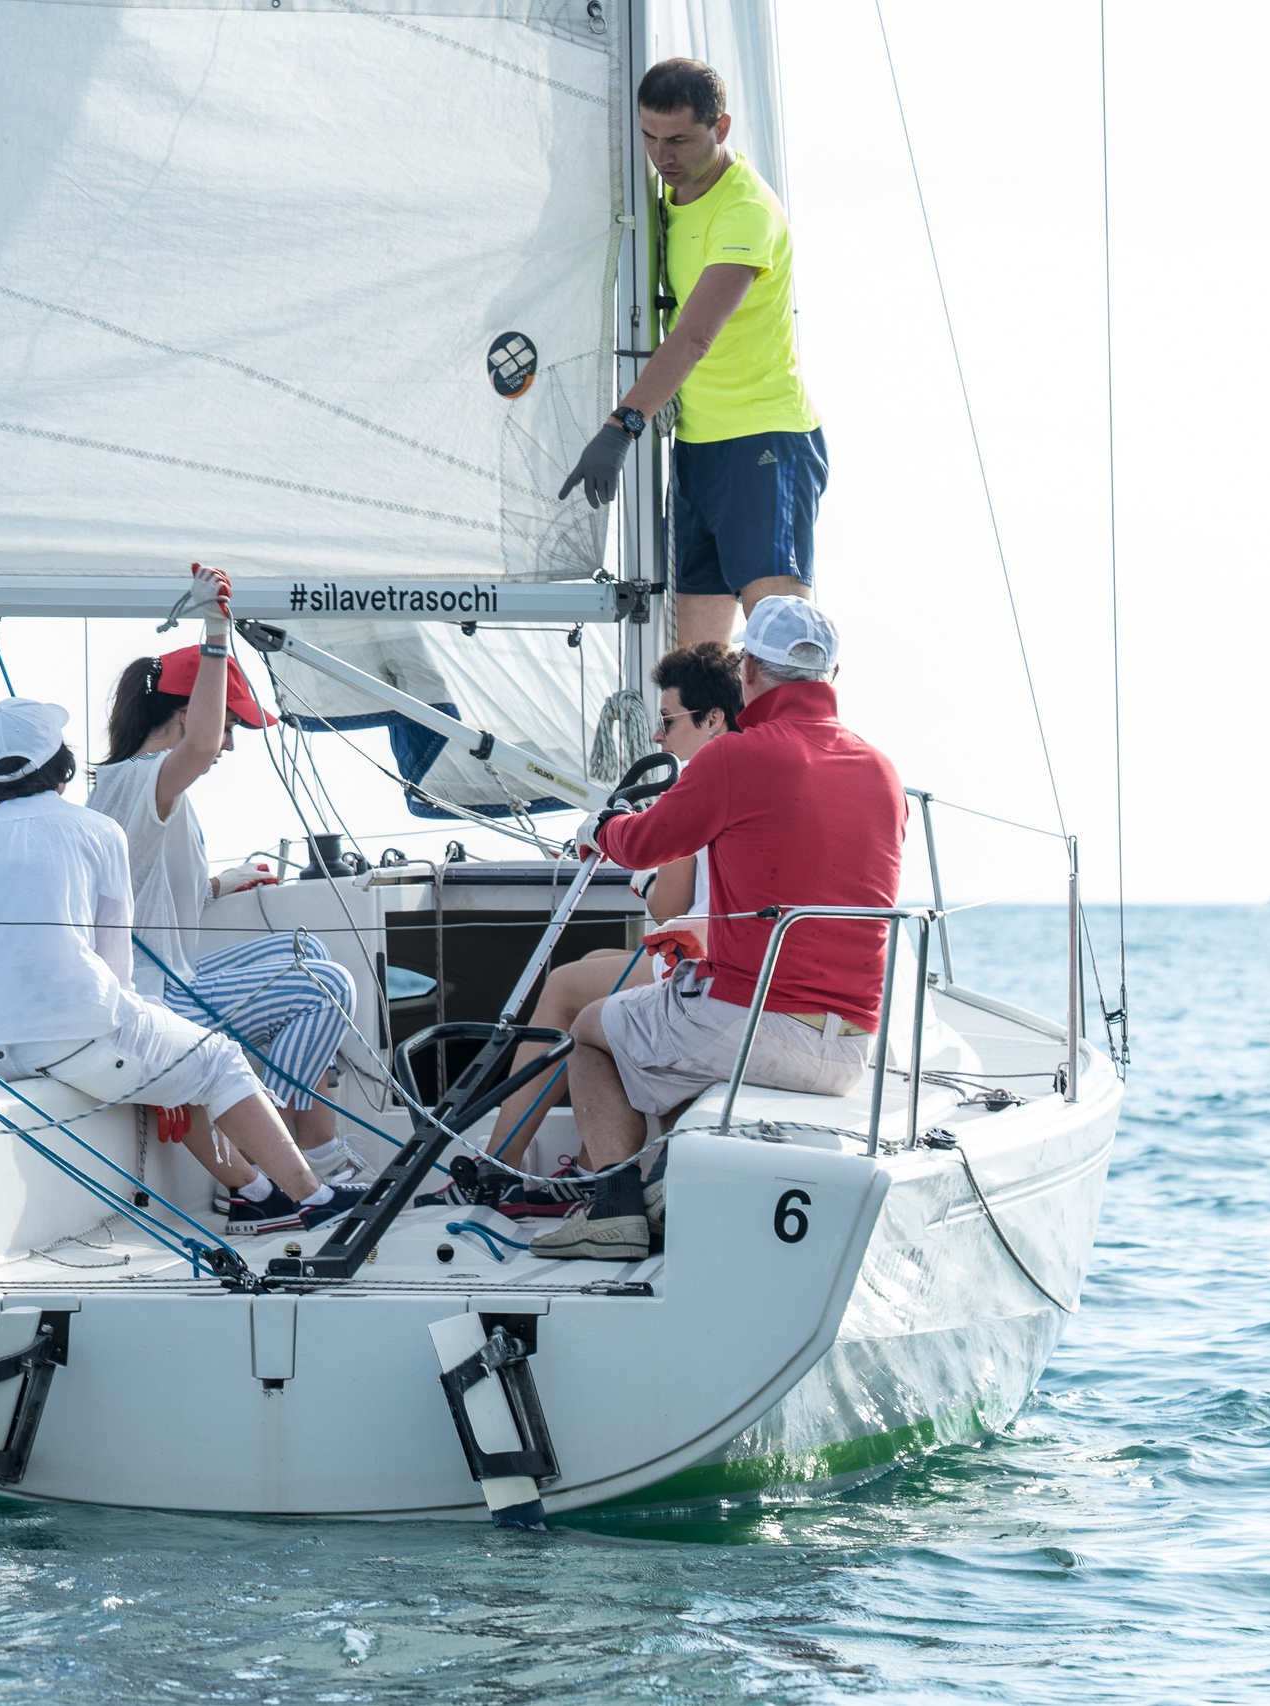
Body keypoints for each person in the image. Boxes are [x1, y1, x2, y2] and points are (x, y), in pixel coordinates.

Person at [538, 597, 902, 1261]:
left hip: (758, 1025)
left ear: (750, 672)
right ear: (833, 674)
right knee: (680, 1026)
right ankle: (668, 1186)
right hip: (852, 1049)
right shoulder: (882, 771)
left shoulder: (736, 756)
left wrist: (601, 828)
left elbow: (644, 844)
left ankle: (613, 1207)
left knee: (591, 1029)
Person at [0, 694, 365, 1236]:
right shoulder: (96, 830)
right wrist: (151, 1053)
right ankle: (314, 1197)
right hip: (76, 1038)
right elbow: (115, 963)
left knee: (177, 1052)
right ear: (61, 764)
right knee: (219, 1059)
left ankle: (257, 1195)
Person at [87, 565, 366, 1208]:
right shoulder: (141, 779)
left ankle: (303, 1143)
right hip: (153, 999)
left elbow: (142, 885)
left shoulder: (138, 789)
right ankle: (289, 1153)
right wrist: (217, 631)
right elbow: (203, 745)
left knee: (309, 953)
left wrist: (219, 882)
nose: (230, 745)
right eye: (230, 727)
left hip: (170, 982)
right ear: (188, 718)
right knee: (327, 984)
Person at [557, 57, 826, 653]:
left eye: (678, 140)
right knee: (692, 669)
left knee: (782, 649)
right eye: (649, 137)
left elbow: (694, 336)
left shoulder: (745, 212)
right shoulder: (659, 192)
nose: (661, 155)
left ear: (720, 128)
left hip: (764, 443)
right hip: (696, 451)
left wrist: (621, 426)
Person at [480, 643, 744, 1173]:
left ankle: (498, 1165)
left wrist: (643, 869)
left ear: (713, 719)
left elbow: (668, 909)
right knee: (595, 961)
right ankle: (585, 1166)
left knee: (564, 989)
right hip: (736, 956)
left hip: (715, 966)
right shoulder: (752, 768)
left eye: (667, 721)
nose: (657, 737)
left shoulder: (707, 778)